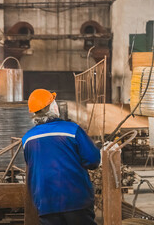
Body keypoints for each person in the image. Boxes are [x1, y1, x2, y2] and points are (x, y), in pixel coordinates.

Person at [22, 89, 100, 225]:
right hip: (76, 200)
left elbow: (33, 167)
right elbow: (93, 160)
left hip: (46, 203)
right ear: (53, 107)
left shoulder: (27, 139)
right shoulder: (72, 130)